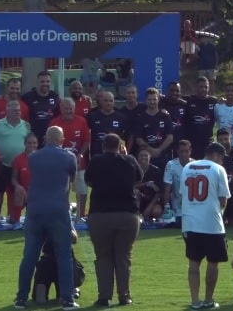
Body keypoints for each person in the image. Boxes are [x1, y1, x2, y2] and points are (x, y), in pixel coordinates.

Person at [14, 126, 79, 310]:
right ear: (62, 139)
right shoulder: (69, 157)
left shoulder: (33, 157)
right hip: (58, 210)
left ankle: (20, 298)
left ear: (45, 139)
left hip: (35, 210)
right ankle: (67, 299)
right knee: (63, 255)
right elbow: (71, 180)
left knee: (29, 256)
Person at [84, 133, 142, 307]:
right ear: (120, 146)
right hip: (127, 215)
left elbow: (89, 181)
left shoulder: (96, 161)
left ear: (103, 146)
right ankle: (124, 296)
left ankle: (104, 296)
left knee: (103, 257)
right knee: (123, 257)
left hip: (100, 214)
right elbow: (139, 178)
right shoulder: (130, 160)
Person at [180, 142, 231, 310]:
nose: (222, 161)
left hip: (190, 222)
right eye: (222, 157)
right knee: (213, 262)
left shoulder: (187, 167)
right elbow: (223, 200)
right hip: (211, 223)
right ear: (216, 155)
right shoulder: (218, 170)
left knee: (193, 263)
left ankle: (195, 300)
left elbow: (183, 195)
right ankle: (208, 299)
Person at [0, 100, 31, 225]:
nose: (17, 112)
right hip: (2, 164)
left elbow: (29, 143)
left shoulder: (26, 126)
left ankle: (13, 217)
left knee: (16, 192)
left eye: (19, 110)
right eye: (14, 110)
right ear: (7, 111)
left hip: (19, 166)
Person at [49, 98, 90, 222]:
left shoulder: (82, 121)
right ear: (61, 108)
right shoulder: (54, 123)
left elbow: (86, 141)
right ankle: (62, 214)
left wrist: (81, 155)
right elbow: (50, 143)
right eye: (65, 108)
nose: (68, 111)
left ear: (74, 108)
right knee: (61, 190)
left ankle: (81, 215)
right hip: (59, 164)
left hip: (79, 163)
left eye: (70, 108)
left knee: (82, 189)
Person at [134, 88, 174, 169]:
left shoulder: (165, 116)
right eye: (150, 100)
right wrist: (151, 150)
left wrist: (159, 150)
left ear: (158, 100)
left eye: (154, 99)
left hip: (163, 155)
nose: (152, 102)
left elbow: (170, 137)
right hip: (147, 157)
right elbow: (138, 139)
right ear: (146, 100)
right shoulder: (140, 117)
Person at [21, 71, 61, 146]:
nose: (45, 84)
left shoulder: (55, 96)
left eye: (47, 81)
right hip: (32, 140)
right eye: (42, 81)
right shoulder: (27, 97)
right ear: (37, 83)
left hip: (50, 138)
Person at [183, 77, 218, 159]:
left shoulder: (214, 101)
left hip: (207, 143)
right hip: (191, 144)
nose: (203, 89)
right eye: (201, 87)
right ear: (196, 87)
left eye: (206, 87)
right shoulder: (188, 100)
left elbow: (227, 104)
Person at [87, 91, 129, 157]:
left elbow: (125, 137)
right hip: (97, 154)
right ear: (101, 101)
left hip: (115, 155)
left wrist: (124, 150)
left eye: (111, 101)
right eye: (106, 101)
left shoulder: (121, 117)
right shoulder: (92, 116)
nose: (108, 103)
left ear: (114, 102)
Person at [9, 133, 38, 227]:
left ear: (37, 144)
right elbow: (14, 178)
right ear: (25, 144)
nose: (32, 145)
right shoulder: (18, 159)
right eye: (29, 143)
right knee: (18, 190)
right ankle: (17, 222)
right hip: (24, 191)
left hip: (38, 192)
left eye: (34, 143)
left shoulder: (41, 158)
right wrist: (17, 186)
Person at [162, 139, 193, 226]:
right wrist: (166, 206)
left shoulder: (195, 164)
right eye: (181, 151)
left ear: (190, 151)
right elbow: (167, 188)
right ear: (178, 152)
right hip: (177, 204)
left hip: (192, 204)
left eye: (186, 151)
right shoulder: (171, 165)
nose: (184, 154)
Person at [159, 81, 188, 156]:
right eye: (172, 90)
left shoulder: (184, 105)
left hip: (179, 145)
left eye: (177, 91)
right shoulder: (160, 103)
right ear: (167, 91)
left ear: (180, 92)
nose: (174, 93)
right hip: (163, 144)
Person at [135, 149, 164, 220]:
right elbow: (130, 187)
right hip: (137, 201)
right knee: (136, 191)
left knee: (157, 212)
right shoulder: (134, 170)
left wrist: (149, 208)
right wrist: (146, 184)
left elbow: (159, 192)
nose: (143, 157)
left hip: (152, 200)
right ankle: (137, 215)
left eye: (146, 155)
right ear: (137, 157)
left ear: (150, 157)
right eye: (141, 155)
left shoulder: (156, 171)